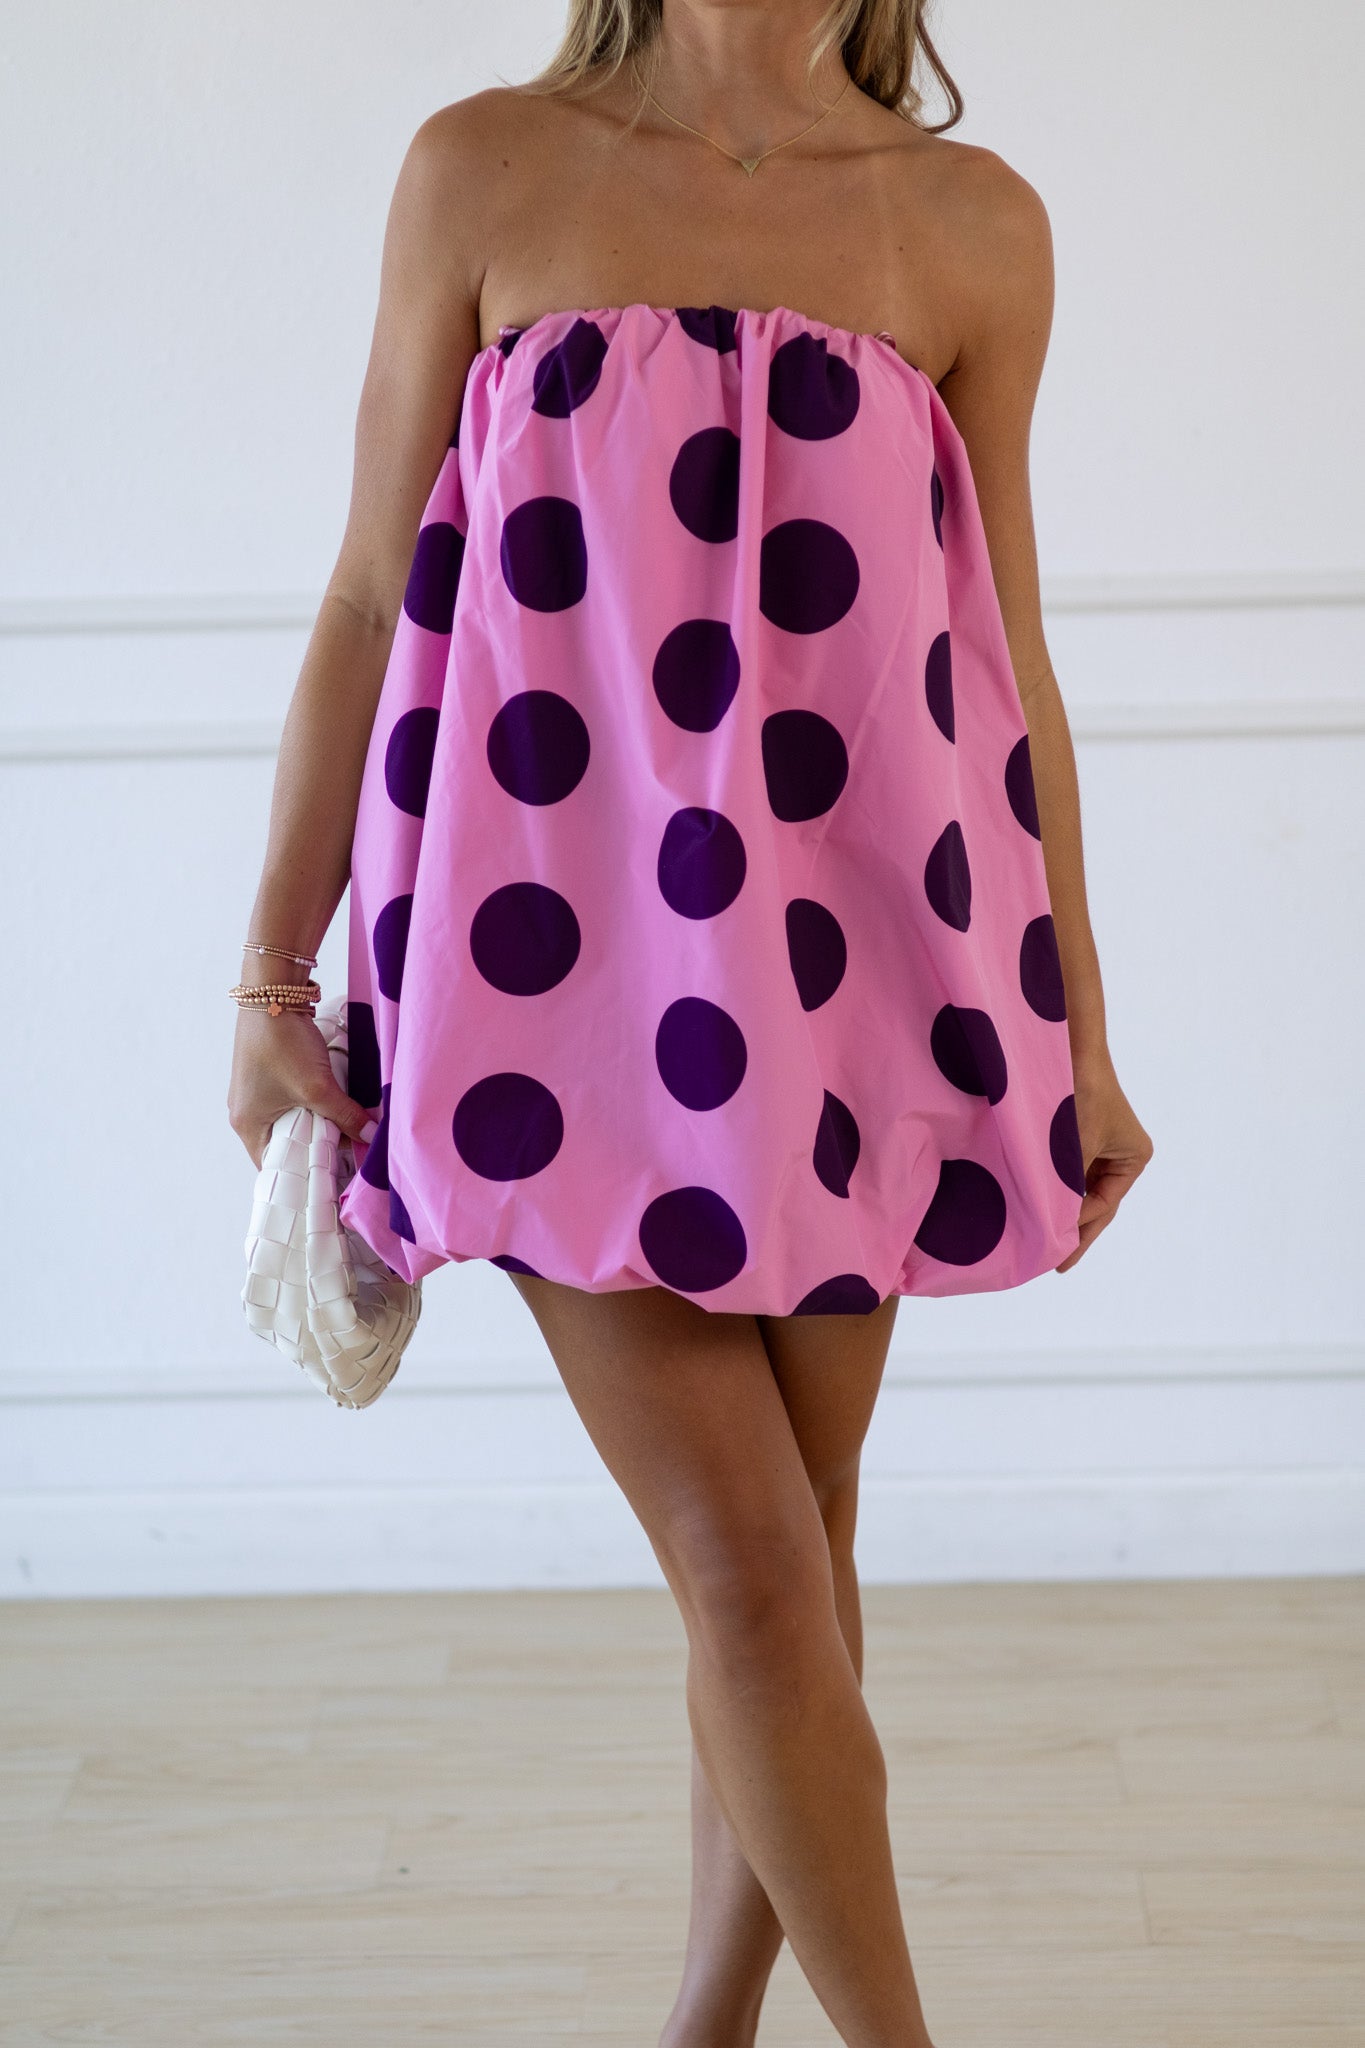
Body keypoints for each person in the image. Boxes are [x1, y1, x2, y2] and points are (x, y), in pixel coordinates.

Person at [228, 4, 1154, 2041]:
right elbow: (371, 595)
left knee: (786, 1593)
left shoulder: (966, 225)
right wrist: (268, 975)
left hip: (863, 985)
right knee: (748, 1570)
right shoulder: (483, 171)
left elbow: (1008, 665)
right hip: (543, 990)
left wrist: (1073, 1026)